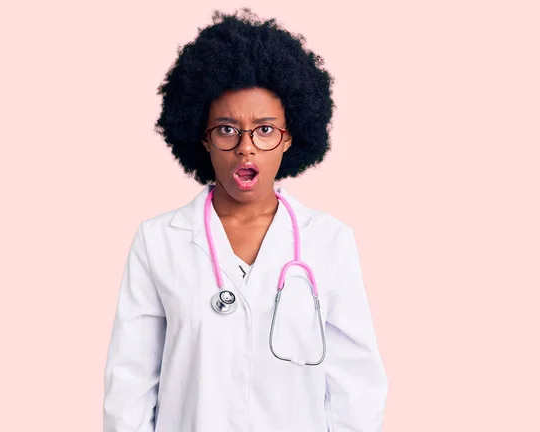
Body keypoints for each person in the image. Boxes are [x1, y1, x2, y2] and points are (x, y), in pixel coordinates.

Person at [103, 8, 388, 432]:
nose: (246, 147)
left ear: (290, 136)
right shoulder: (159, 241)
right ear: (203, 138)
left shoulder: (329, 241)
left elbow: (356, 386)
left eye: (265, 129)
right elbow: (130, 384)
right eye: (226, 129)